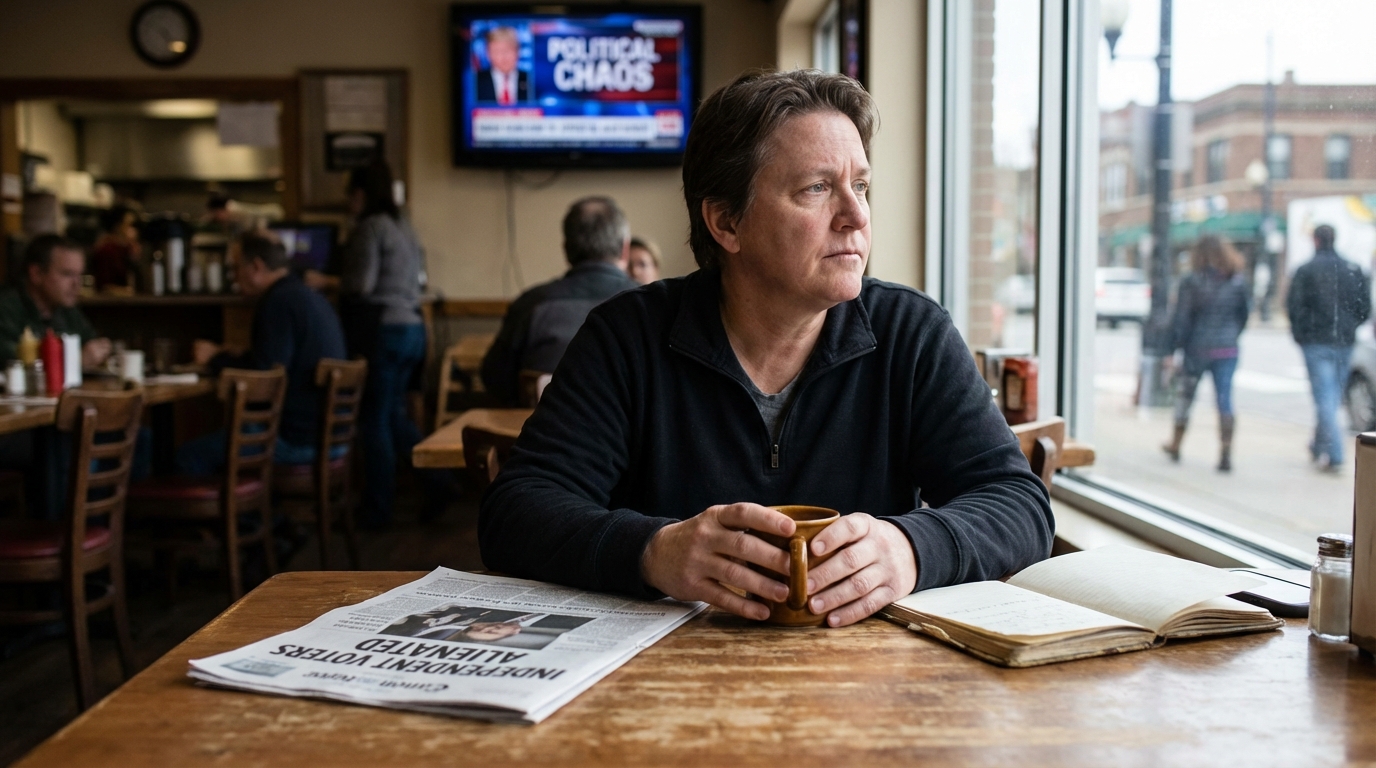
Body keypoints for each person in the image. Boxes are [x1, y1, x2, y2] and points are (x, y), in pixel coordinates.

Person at [478, 69, 1052, 628]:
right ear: (726, 223)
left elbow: (1018, 503)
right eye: (817, 188)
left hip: (867, 673)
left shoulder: (911, 331)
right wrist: (653, 550)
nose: (856, 216)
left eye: (860, 186)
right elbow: (516, 511)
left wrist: (911, 547)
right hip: (663, 672)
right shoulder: (626, 336)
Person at [181, 231, 347, 474]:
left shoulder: (277, 302)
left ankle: (242, 502)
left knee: (187, 456)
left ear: (257, 267)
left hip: (296, 441)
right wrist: (239, 355)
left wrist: (213, 359)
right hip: (334, 438)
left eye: (236, 268)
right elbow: (279, 363)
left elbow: (264, 379)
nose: (233, 277)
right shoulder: (313, 297)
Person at [339, 159, 439, 527]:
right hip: (413, 327)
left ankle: (377, 510)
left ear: (360, 194)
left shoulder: (370, 227)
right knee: (394, 414)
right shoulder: (404, 226)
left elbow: (361, 284)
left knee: (374, 419)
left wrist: (327, 280)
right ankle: (440, 481)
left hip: (385, 329)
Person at [480, 197, 639, 405]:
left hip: (538, 424)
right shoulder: (653, 306)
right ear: (625, 249)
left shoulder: (530, 304)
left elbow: (495, 380)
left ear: (566, 249)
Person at [1286, 224, 1372, 473]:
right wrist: (1349, 328)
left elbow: (1294, 306)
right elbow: (1364, 308)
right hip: (1343, 341)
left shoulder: (1306, 270)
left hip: (1317, 341)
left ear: (1315, 240)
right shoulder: (1352, 269)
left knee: (1326, 397)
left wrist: (1301, 335)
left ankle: (1334, 454)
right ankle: (1319, 445)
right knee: (1331, 396)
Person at [1161, 235, 1250, 472]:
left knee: (1185, 397)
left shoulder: (1191, 281)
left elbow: (1180, 319)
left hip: (1197, 349)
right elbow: (1243, 315)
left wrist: (1172, 349)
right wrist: (1231, 336)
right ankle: (1226, 452)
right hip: (1227, 349)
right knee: (1224, 400)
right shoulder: (1237, 281)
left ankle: (1176, 443)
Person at [0, 234, 111, 368]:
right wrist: (73, 361)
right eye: (67, 274)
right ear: (36, 274)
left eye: (79, 275)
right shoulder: (6, 307)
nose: (77, 284)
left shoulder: (66, 309)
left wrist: (100, 351)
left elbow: (91, 342)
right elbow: (10, 359)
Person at [89, 206, 142, 292]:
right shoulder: (106, 250)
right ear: (117, 226)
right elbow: (104, 287)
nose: (135, 231)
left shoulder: (129, 249)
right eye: (130, 225)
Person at [476, 26, 530, 105]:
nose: (503, 57)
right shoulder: (476, 82)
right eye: (497, 51)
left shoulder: (530, 80)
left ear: (518, 51)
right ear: (488, 54)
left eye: (507, 50)